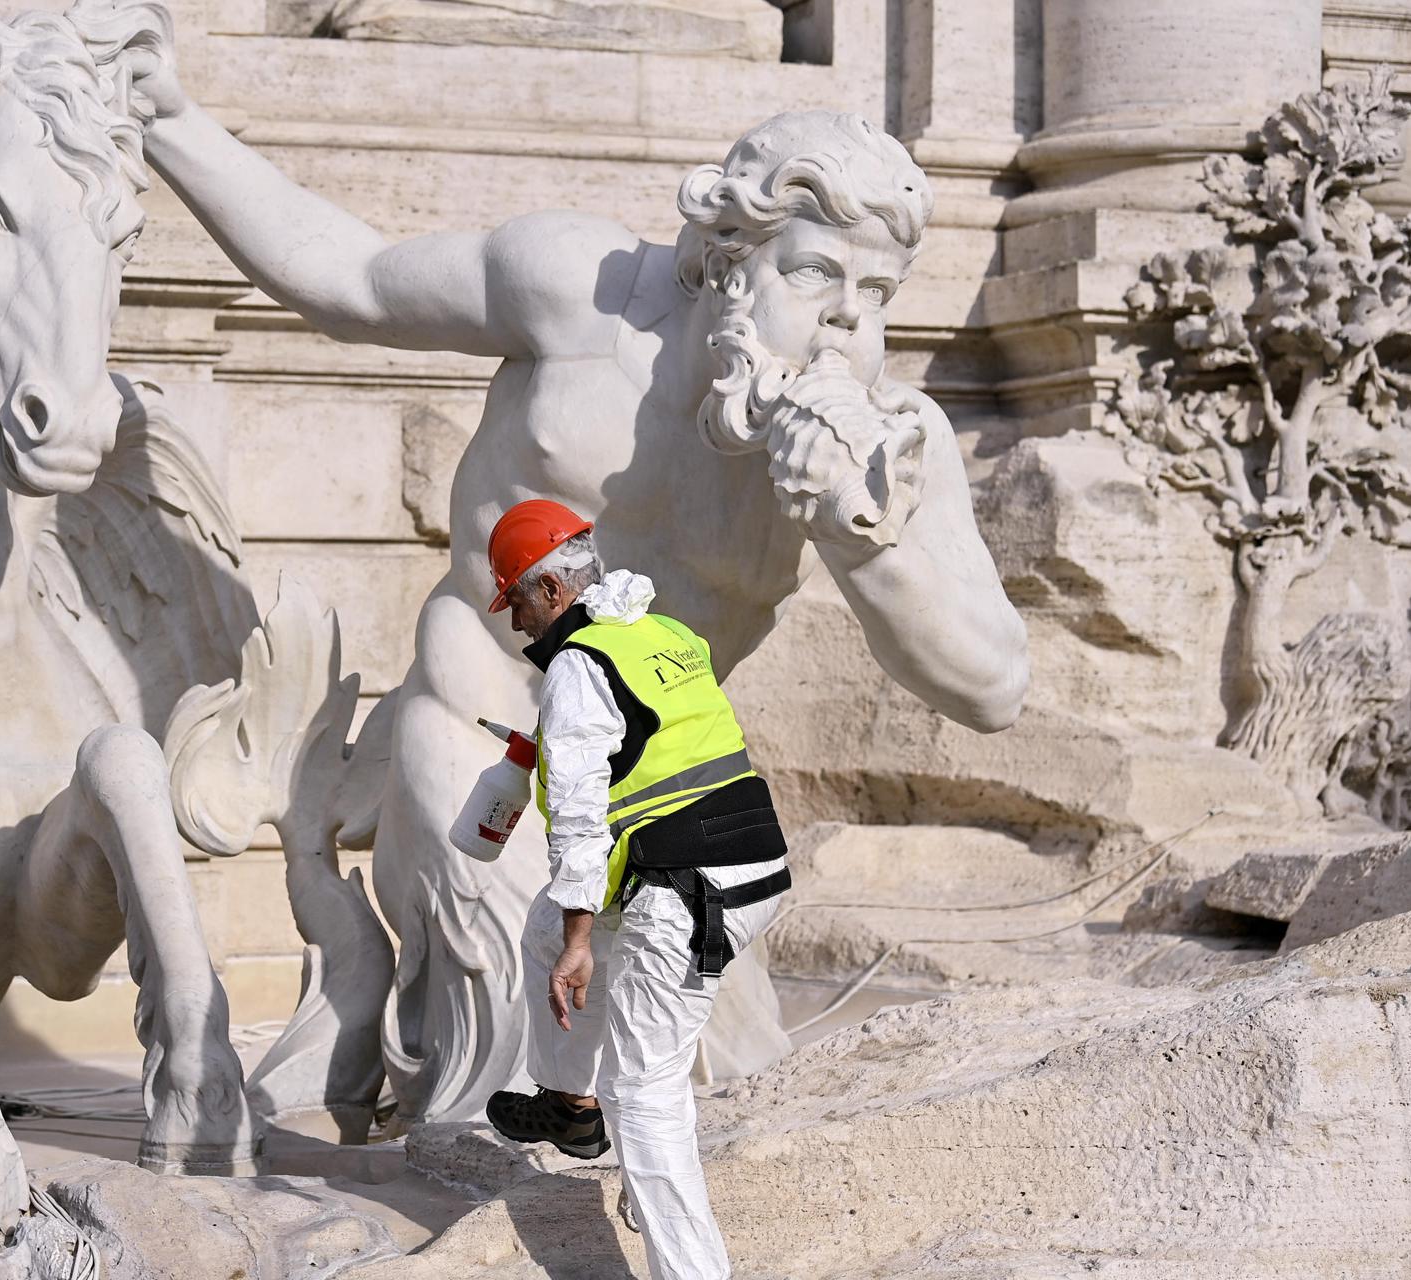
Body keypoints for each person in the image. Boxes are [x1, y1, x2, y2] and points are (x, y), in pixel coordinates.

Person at [127, 50, 1030, 1128]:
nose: (846, 322)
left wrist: (861, 531)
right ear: (726, 262)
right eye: (814, 274)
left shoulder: (886, 442)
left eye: (876, 291)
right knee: (524, 1083)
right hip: (481, 732)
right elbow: (350, 282)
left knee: (707, 1099)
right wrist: (168, 121)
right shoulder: (580, 293)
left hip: (651, 793)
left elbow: (992, 686)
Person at [480, 497, 788, 1280]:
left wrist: (584, 946)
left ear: (551, 593)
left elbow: (580, 823)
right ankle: (570, 1110)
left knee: (642, 1092)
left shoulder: (580, 667)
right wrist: (573, 931)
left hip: (690, 887)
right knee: (550, 924)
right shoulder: (663, 633)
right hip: (744, 863)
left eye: (515, 599)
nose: (514, 623)